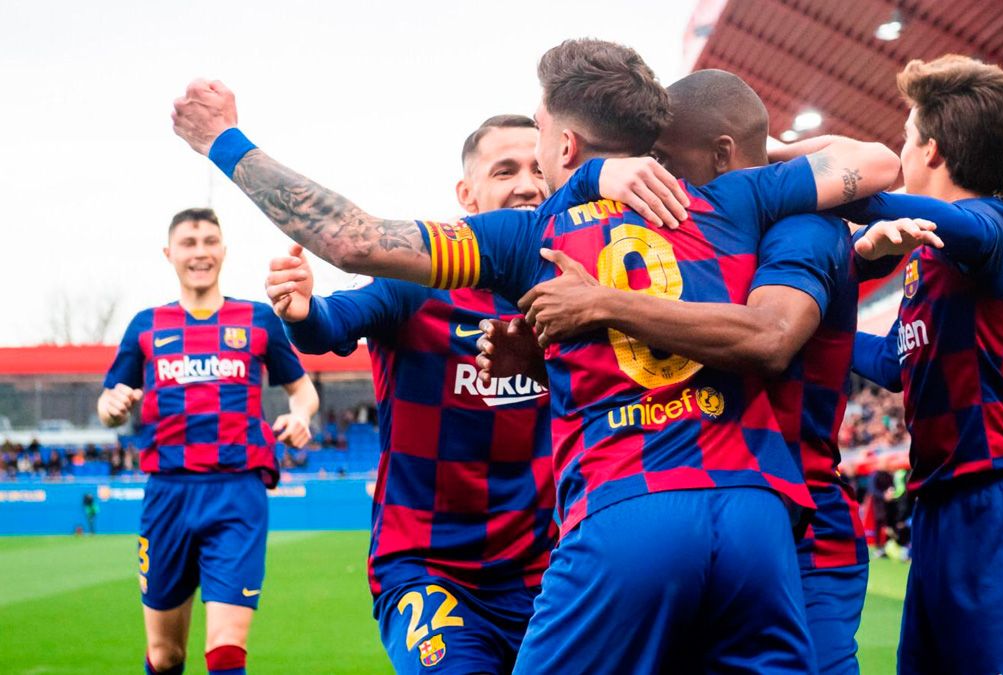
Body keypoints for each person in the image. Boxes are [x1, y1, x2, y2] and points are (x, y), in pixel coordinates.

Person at [171, 38, 901, 672]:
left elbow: (353, 239)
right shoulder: (741, 200)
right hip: (757, 522)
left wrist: (223, 140)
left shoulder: (531, 238)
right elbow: (875, 163)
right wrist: (753, 147)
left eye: (543, 134)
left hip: (625, 514)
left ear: (564, 147)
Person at [484, 69, 931, 674]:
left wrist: (603, 302)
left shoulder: (797, 227)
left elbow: (767, 339)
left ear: (721, 155)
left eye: (665, 157)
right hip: (731, 513)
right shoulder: (695, 242)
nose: (655, 173)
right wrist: (547, 358)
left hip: (800, 524)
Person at [264, 115, 560, 674]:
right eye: (506, 170)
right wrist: (302, 312)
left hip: (553, 574)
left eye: (538, 169)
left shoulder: (579, 287)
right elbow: (333, 323)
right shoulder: (419, 280)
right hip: (432, 572)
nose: (527, 183)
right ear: (466, 195)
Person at [845, 55, 1003, 674]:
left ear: (933, 152)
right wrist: (808, 328)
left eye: (906, 138)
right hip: (937, 510)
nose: (901, 150)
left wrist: (852, 195)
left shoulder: (995, 231)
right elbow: (892, 361)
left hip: (997, 506)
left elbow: (962, 228)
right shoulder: (927, 260)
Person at [98, 208, 319, 675]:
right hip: (167, 495)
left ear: (223, 250)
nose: (200, 252)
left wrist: (300, 417)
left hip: (238, 493)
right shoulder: (145, 326)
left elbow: (303, 391)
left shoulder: (258, 320)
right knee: (165, 656)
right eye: (189, 242)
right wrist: (113, 406)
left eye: (209, 241)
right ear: (169, 253)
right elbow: (107, 401)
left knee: (224, 651)